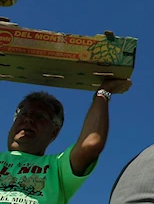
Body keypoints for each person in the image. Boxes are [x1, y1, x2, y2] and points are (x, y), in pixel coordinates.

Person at [0, 79, 130, 204]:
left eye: (39, 116)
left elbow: (91, 144)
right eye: (24, 114)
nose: (28, 120)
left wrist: (103, 92)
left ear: (54, 132)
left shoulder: (57, 167)